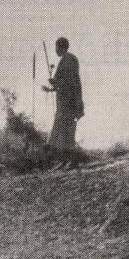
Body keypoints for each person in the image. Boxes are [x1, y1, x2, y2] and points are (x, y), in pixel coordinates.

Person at [43, 37, 84, 169]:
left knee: (68, 131)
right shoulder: (66, 60)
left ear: (60, 47)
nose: (55, 50)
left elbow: (69, 82)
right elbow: (63, 82)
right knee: (62, 131)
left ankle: (72, 161)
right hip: (64, 102)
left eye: (56, 47)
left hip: (69, 102)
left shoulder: (69, 60)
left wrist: (55, 83)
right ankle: (65, 160)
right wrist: (51, 88)